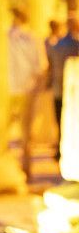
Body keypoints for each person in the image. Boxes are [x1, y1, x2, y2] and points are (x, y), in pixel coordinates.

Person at [7, 8, 46, 178]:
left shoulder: (3, 37)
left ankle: (11, 166)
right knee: (25, 132)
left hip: (7, 90)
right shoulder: (32, 38)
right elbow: (41, 67)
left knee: (3, 131)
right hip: (25, 89)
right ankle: (25, 167)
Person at [46, 15, 79, 161]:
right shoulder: (75, 44)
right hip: (72, 92)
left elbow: (50, 65)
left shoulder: (57, 45)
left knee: (60, 121)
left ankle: (61, 150)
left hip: (59, 90)